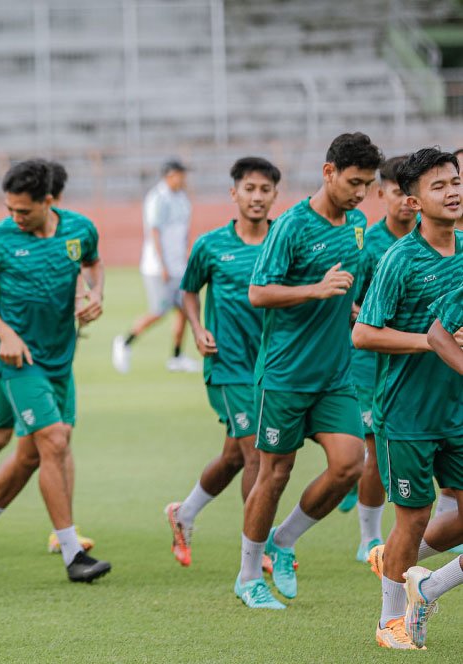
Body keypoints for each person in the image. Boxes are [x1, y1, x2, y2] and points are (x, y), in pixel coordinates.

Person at [234, 132, 380, 610]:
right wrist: (314, 290)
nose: (360, 193)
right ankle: (248, 575)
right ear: (328, 172)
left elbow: (344, 286)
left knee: (348, 465)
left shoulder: (357, 223)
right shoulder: (292, 226)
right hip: (285, 374)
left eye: (367, 184)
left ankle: (284, 539)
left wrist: (353, 307)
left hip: (336, 374)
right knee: (274, 474)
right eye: (353, 182)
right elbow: (259, 292)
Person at [0, 158, 110, 583]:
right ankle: (72, 552)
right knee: (54, 441)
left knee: (29, 456)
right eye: (10, 209)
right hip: (17, 359)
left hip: (61, 358)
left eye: (23, 210)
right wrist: (5, 333)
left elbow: (93, 265)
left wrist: (94, 294)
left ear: (49, 201)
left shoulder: (80, 230)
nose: (15, 217)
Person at [352, 147, 463, 650]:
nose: (453, 191)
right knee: (414, 515)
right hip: (407, 412)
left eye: (455, 181)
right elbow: (363, 333)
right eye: (438, 186)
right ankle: (389, 620)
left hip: (457, 408)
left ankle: (411, 569)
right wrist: (429, 342)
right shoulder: (399, 260)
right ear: (414, 200)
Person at [165, 157, 279, 567]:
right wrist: (197, 328)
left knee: (233, 456)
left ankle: (184, 513)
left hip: (274, 367)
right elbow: (189, 290)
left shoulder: (283, 239)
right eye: (249, 189)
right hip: (228, 366)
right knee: (257, 456)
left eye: (265, 190)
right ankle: (259, 548)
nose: (257, 197)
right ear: (234, 193)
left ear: (274, 196)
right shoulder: (211, 245)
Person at [343, 155, 415, 562]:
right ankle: (369, 538)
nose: (406, 200)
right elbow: (350, 307)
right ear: (380, 192)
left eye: (411, 191)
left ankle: (445, 523)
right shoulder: (368, 246)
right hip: (371, 365)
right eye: (398, 191)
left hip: (413, 362)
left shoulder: (429, 241)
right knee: (373, 450)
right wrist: (376, 317)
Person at [113, 159, 198, 373]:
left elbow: (183, 231)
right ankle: (125, 342)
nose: (183, 179)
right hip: (159, 267)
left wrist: (187, 256)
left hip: (180, 265)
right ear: (170, 175)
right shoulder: (157, 197)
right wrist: (163, 265)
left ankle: (177, 356)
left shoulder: (182, 198)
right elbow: (154, 232)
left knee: (185, 310)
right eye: (180, 174)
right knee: (159, 311)